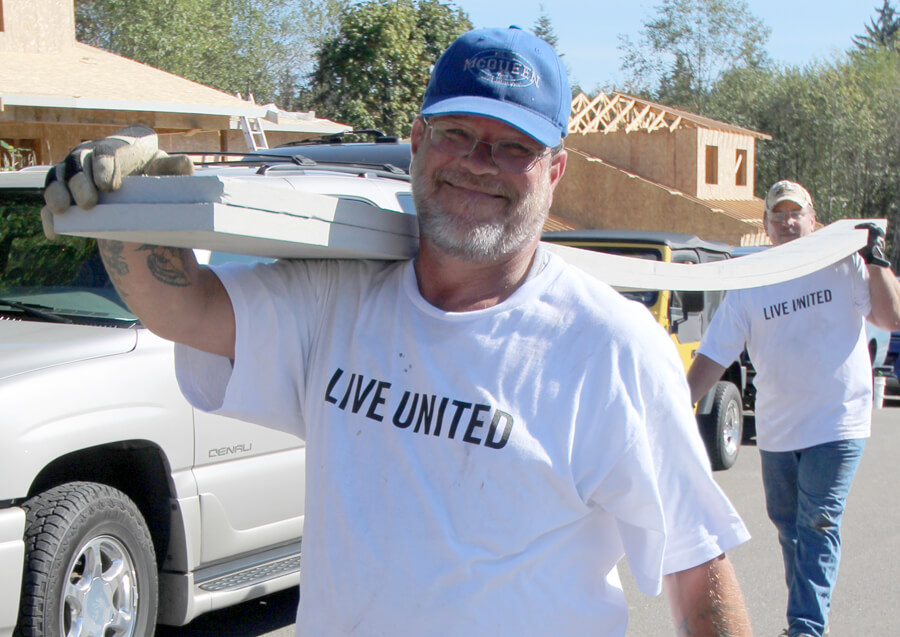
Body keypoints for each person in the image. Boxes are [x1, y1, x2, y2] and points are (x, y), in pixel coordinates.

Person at [44, 27, 753, 637]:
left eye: (514, 147)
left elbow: (700, 574)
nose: (479, 160)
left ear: (555, 170)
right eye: (458, 133)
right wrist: (128, 210)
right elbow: (183, 309)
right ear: (417, 141)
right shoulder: (338, 300)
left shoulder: (611, 349)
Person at [687, 179, 900, 637]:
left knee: (819, 520)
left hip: (838, 421)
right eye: (777, 214)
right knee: (790, 528)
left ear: (813, 220)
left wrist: (878, 262)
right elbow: (714, 355)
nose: (787, 221)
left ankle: (805, 628)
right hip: (779, 429)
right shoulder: (752, 281)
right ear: (766, 226)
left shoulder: (845, 265)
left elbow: (892, 318)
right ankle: (804, 616)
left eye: (795, 212)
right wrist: (677, 406)